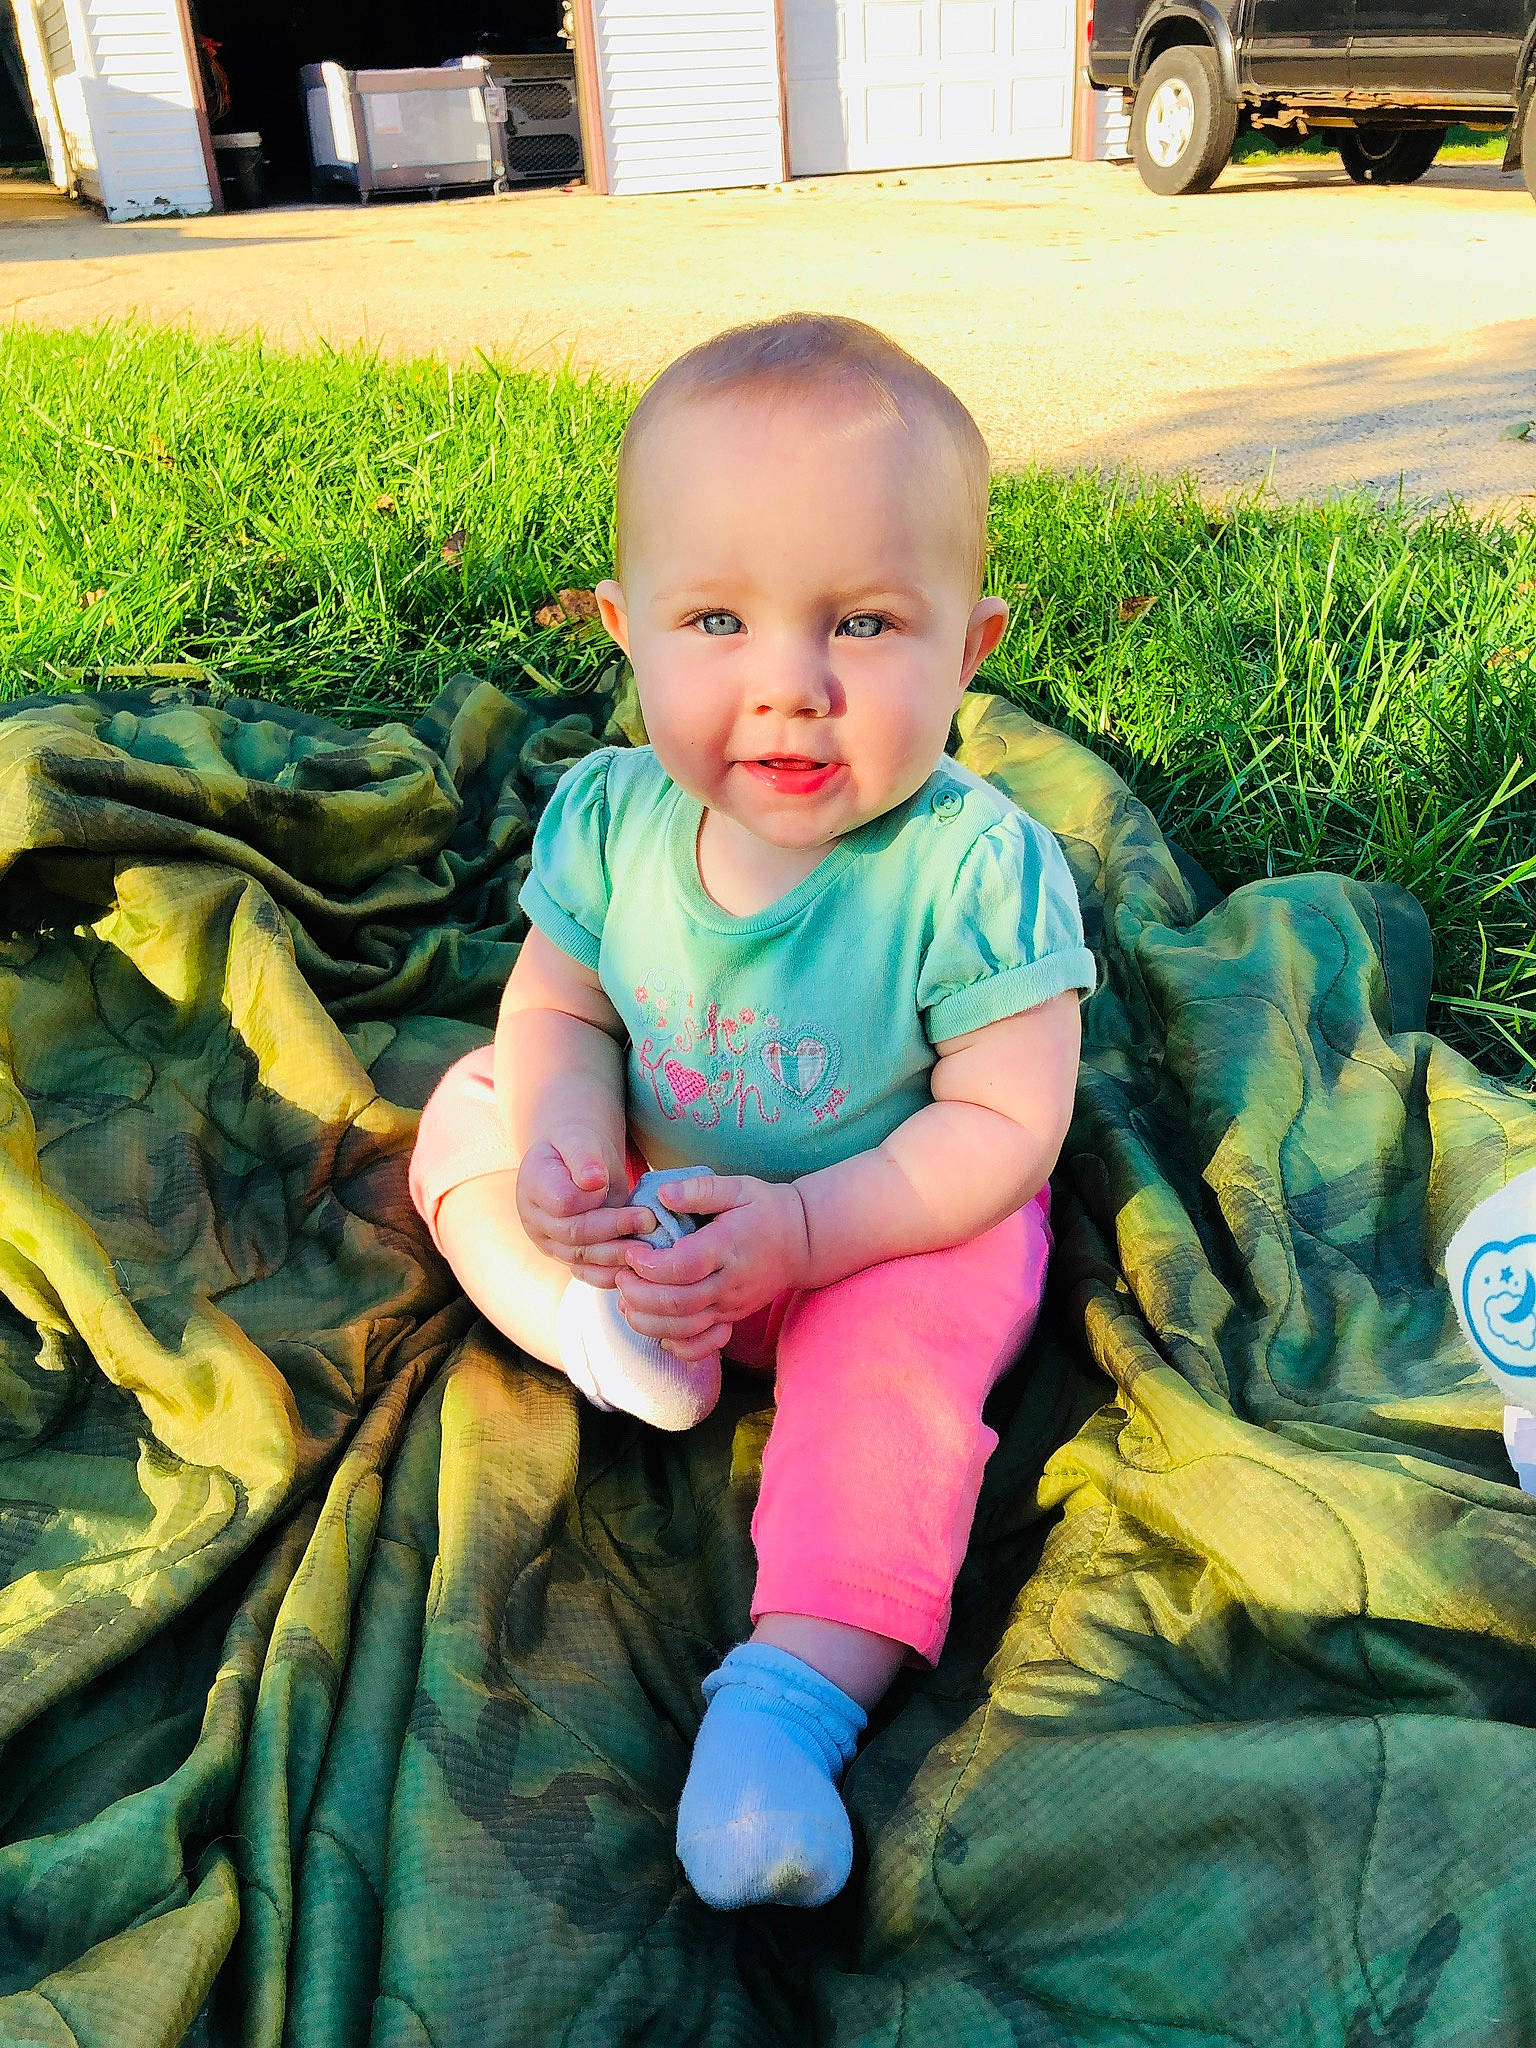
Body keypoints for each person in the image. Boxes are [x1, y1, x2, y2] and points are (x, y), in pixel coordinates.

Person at [407, 310, 1097, 1911]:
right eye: (718, 619)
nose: (789, 688)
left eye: (862, 624)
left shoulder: (970, 870)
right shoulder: (613, 821)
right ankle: (596, 1337)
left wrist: (807, 1227)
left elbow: (1006, 1128)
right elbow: (561, 1009)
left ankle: (787, 1709)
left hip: (874, 1230)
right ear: (626, 630)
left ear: (969, 649)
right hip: (655, 1223)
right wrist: (570, 1149)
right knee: (467, 1111)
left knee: (910, 1369)